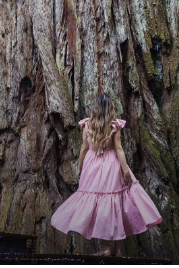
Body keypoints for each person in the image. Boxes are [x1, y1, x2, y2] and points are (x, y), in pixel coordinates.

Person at [51, 93, 162, 257]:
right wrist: (125, 171)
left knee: (102, 205)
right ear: (110, 109)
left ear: (96, 108)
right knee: (116, 203)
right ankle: (116, 250)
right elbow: (118, 149)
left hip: (92, 167)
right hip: (112, 166)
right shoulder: (114, 126)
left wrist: (80, 168)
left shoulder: (87, 125)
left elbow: (84, 148)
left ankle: (106, 248)